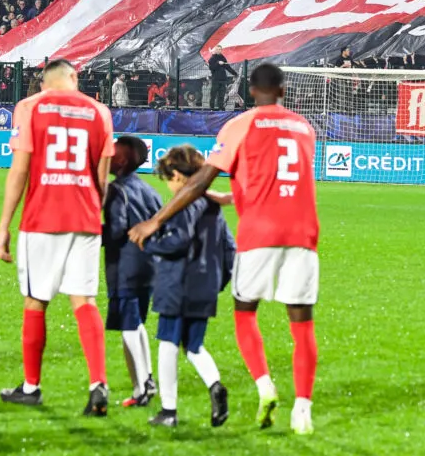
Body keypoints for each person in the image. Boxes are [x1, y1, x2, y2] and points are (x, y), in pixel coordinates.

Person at [131, 63, 319, 435]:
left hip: (258, 235)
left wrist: (157, 220)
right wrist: (230, 197)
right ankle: (303, 410)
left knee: (245, 313)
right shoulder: (305, 128)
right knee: (302, 324)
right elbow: (274, 181)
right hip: (302, 233)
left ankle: (265, 386)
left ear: (251, 90)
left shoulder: (240, 125)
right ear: (283, 90)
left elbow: (199, 181)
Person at [0, 59, 115, 415]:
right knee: (85, 301)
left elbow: (20, 169)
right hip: (85, 217)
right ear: (73, 78)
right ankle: (98, 384)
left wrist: (4, 225)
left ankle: (31, 387)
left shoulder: (30, 107)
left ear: (46, 84)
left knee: (36, 301)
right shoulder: (99, 111)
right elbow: (102, 178)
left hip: (42, 218)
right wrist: (94, 209)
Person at [142, 145, 237, 428]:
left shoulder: (181, 204)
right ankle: (215, 385)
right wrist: (218, 282)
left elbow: (179, 240)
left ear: (179, 177)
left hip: (177, 284)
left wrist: (149, 244)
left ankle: (168, 411)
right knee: (193, 346)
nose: (169, 186)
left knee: (169, 343)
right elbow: (229, 249)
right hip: (205, 286)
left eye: (168, 178)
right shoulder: (213, 208)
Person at [102, 136, 161, 407]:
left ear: (123, 160)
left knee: (128, 324)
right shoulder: (150, 190)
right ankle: (143, 385)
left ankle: (144, 384)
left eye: (114, 153)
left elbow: (115, 231)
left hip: (125, 265)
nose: (109, 156)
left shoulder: (117, 191)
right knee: (136, 323)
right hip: (150, 266)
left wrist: (89, 234)